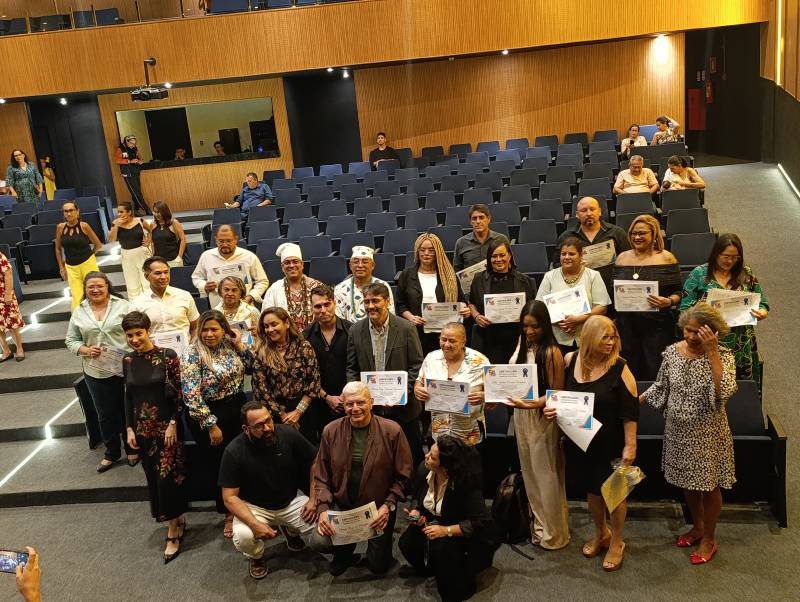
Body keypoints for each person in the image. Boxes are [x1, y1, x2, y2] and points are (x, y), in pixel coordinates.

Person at [640, 303, 737, 565]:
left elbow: (725, 390)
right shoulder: (672, 352)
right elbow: (660, 386)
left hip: (707, 432)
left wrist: (713, 352)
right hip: (677, 430)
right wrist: (633, 400)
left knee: (709, 485)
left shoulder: (723, 356)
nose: (691, 337)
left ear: (713, 332)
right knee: (687, 481)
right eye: (688, 330)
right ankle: (697, 526)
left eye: (698, 332)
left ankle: (710, 537)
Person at [544, 316, 638, 572]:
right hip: (581, 442)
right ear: (588, 338)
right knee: (592, 492)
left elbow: (630, 411)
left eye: (613, 337)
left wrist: (630, 446)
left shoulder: (621, 366)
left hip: (612, 443)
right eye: (604, 337)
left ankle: (618, 540)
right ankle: (602, 533)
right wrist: (554, 410)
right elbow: (562, 397)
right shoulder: (569, 360)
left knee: (615, 495)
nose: (610, 342)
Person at [310, 381, 413, 576]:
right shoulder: (330, 431)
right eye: (349, 404)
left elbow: (404, 475)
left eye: (360, 402)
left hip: (377, 507)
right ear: (343, 404)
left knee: (378, 566)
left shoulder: (392, 430)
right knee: (318, 541)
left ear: (371, 402)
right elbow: (321, 475)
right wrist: (323, 509)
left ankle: (379, 543)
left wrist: (387, 506)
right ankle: (344, 553)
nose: (355, 408)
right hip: (343, 505)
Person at [220, 401, 319, 580]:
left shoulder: (288, 433)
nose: (267, 428)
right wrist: (254, 524)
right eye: (259, 426)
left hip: (291, 501)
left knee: (325, 526)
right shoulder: (233, 451)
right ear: (246, 428)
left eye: (269, 421)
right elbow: (230, 498)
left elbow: (316, 461)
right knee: (243, 537)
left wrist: (313, 499)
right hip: (255, 508)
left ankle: (289, 529)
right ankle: (256, 556)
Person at [122, 311, 187, 564]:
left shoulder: (167, 356)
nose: (135, 339)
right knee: (153, 477)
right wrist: (128, 429)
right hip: (142, 430)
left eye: (139, 334)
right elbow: (128, 396)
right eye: (130, 335)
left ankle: (172, 532)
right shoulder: (127, 360)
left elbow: (179, 394)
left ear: (148, 331)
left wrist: (173, 424)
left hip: (167, 429)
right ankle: (177, 519)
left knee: (167, 478)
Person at [399, 436, 499, 601]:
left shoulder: (466, 483)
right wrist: (418, 514)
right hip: (437, 523)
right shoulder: (424, 470)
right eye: (428, 452)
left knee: (444, 554)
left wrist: (445, 531)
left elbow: (479, 523)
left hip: (465, 534)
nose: (426, 457)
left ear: (445, 466)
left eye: (432, 457)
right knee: (406, 543)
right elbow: (420, 501)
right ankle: (432, 568)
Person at [181, 309, 253, 536]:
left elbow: (251, 366)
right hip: (210, 414)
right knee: (221, 465)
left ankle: (248, 503)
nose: (209, 334)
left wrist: (239, 343)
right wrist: (210, 424)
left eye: (215, 329)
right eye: (205, 329)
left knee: (243, 459)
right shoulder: (192, 353)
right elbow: (191, 394)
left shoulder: (229, 346)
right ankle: (228, 513)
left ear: (224, 330)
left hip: (237, 408)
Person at [506, 300, 569, 550]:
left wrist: (529, 405)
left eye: (534, 327)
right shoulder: (523, 344)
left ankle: (555, 533)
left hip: (542, 417)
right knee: (530, 474)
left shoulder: (551, 351)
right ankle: (539, 525)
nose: (529, 331)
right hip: (521, 416)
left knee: (547, 476)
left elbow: (556, 393)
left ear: (545, 325)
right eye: (525, 326)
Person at [347, 282, 425, 468]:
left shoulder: (406, 328)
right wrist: (356, 396)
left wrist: (401, 394)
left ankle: (414, 491)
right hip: (372, 408)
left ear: (387, 301)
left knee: (410, 454)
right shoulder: (355, 330)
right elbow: (351, 368)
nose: (370, 306)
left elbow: (417, 365)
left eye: (375, 300)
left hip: (404, 408)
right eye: (366, 301)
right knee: (380, 457)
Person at [65, 272, 136, 472]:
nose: (95, 290)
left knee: (126, 410)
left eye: (99, 286)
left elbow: (137, 331)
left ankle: (132, 448)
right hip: (95, 372)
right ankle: (112, 452)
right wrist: (85, 350)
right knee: (105, 414)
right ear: (85, 290)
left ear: (107, 286)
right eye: (90, 287)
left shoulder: (124, 305)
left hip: (125, 367)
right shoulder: (79, 311)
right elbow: (71, 340)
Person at [680, 233, 769, 384]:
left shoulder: (746, 273)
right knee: (709, 384)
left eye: (735, 257)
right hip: (707, 338)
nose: (730, 261)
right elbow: (685, 308)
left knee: (739, 385)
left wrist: (762, 312)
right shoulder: (699, 274)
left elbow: (763, 303)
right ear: (716, 253)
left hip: (741, 339)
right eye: (726, 256)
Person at [613, 215, 682, 380]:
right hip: (627, 327)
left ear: (654, 234)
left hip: (657, 326)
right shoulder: (622, 258)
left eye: (642, 233)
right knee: (630, 372)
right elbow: (614, 291)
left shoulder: (667, 258)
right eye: (633, 233)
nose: (637, 237)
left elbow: (679, 292)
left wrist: (669, 301)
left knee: (655, 371)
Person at [251, 306, 321, 442]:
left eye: (274, 324)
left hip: (304, 410)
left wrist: (298, 412)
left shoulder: (303, 346)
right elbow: (261, 389)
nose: (270, 330)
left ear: (287, 323)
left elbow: (314, 381)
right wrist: (283, 416)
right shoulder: (261, 352)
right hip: (275, 414)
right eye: (266, 326)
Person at [414, 323, 489, 445]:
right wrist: (417, 389)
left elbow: (496, 392)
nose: (447, 345)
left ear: (464, 341)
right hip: (439, 431)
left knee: (469, 464)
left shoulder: (480, 361)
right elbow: (419, 381)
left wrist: (486, 396)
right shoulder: (431, 358)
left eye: (452, 341)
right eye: (443, 339)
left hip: (470, 433)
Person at [397, 232, 471, 355]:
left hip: (445, 334)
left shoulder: (449, 275)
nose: (426, 253)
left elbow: (461, 301)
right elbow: (400, 304)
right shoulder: (407, 274)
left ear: (438, 252)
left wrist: (464, 309)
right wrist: (411, 317)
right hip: (417, 332)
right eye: (423, 250)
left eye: (431, 250)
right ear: (417, 251)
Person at [536, 237, 610, 354]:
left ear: (581, 256)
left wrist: (579, 319)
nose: (566, 257)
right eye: (563, 254)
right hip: (556, 339)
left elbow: (602, 307)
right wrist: (562, 322)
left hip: (587, 337)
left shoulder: (593, 275)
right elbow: (539, 308)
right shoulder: (549, 277)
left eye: (571, 254)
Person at [468, 239, 536, 364]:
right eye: (494, 256)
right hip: (489, 338)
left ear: (509, 256)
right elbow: (471, 303)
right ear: (489, 258)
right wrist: (476, 316)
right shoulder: (479, 279)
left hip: (517, 338)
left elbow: (532, 307)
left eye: (502, 255)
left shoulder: (524, 280)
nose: (498, 259)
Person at [303, 285, 351, 441]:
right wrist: (327, 397)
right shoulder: (304, 337)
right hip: (319, 403)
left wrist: (345, 396)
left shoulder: (353, 330)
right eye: (318, 306)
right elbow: (305, 374)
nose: (323, 310)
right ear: (311, 308)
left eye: (327, 304)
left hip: (350, 400)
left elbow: (358, 366)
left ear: (334, 303)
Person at [556, 196, 631, 287]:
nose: (589, 213)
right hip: (580, 288)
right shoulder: (566, 237)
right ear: (577, 214)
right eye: (584, 210)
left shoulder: (616, 232)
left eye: (592, 209)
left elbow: (629, 258)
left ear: (599, 211)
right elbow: (557, 264)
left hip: (612, 287)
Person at [191, 224, 269, 308]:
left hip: (244, 308)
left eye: (228, 241)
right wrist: (204, 286)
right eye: (221, 241)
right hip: (217, 310)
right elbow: (196, 277)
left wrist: (251, 296)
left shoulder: (249, 256)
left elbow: (262, 281)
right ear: (216, 240)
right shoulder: (206, 256)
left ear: (235, 239)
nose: (224, 244)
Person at [130, 256, 200, 337]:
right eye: (158, 273)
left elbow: (195, 327)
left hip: (185, 348)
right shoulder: (137, 303)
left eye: (166, 272)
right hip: (154, 349)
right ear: (146, 276)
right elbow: (133, 333)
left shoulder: (184, 296)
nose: (163, 277)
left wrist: (190, 347)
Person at [54, 200, 103, 310]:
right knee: (77, 296)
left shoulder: (84, 226)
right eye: (65, 211)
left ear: (77, 211)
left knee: (94, 291)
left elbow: (98, 245)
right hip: (71, 266)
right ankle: (79, 322)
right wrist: (61, 267)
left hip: (88, 263)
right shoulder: (60, 227)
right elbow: (57, 249)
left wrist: (90, 255)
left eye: (71, 210)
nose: (68, 213)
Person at [263, 242, 322, 332]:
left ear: (302, 265)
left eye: (295, 262)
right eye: (287, 263)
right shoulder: (274, 289)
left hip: (315, 337)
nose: (291, 265)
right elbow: (267, 318)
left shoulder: (316, 286)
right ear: (282, 267)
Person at [334, 245, 395, 322]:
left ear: (372, 265)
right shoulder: (340, 288)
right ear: (350, 266)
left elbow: (391, 316)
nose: (360, 265)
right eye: (356, 262)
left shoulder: (383, 286)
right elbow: (339, 320)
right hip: (349, 332)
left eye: (365, 262)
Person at [109, 200, 152, 299]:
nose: (119, 214)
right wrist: (116, 225)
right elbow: (111, 240)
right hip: (127, 255)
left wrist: (149, 240)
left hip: (142, 252)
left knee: (146, 279)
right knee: (131, 281)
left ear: (129, 212)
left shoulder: (140, 221)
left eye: (121, 212)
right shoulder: (115, 224)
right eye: (118, 212)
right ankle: (136, 305)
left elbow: (151, 230)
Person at [453, 204, 511, 272]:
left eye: (481, 217)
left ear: (488, 219)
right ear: (471, 222)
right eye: (474, 218)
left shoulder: (501, 239)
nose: (478, 221)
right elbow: (456, 271)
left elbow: (510, 265)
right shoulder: (461, 243)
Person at [0, 249, 25, 362]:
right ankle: (6, 350)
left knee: (13, 324)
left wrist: (8, 293)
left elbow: (8, 273)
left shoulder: (0, 256)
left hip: (4, 295)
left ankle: (19, 348)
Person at [115, 135, 149, 215]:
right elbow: (117, 160)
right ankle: (146, 208)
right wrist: (130, 161)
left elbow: (139, 156)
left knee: (136, 191)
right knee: (136, 191)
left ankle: (135, 210)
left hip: (136, 170)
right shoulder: (121, 149)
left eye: (134, 143)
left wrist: (140, 160)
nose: (133, 145)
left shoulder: (135, 147)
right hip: (128, 172)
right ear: (126, 142)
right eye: (131, 144)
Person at [151, 201, 186, 267]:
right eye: (154, 212)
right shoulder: (153, 224)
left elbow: (183, 239)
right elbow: (152, 242)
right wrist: (153, 256)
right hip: (159, 262)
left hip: (173, 260)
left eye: (158, 212)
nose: (156, 214)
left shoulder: (174, 223)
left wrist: (179, 256)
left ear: (164, 212)